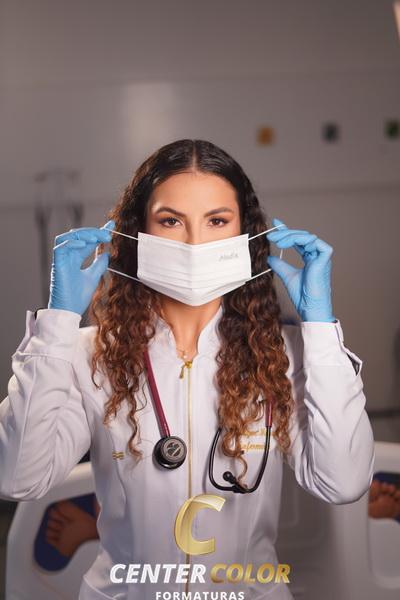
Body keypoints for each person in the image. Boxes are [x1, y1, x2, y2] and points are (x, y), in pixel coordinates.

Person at [0, 139, 375, 599]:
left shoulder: (285, 355)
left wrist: (319, 329)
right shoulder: (88, 354)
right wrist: (56, 324)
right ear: (138, 232)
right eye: (171, 221)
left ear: (245, 235)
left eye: (217, 221)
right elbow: (17, 477)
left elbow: (342, 482)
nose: (195, 243)